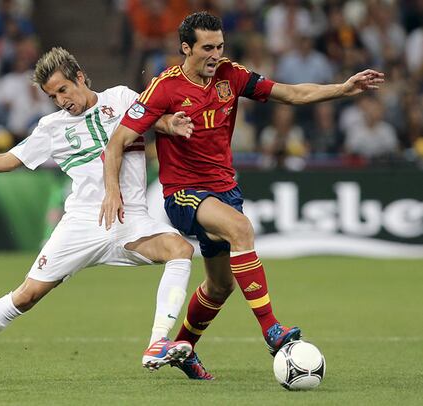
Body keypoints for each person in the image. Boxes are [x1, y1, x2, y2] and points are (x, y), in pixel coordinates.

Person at [100, 11, 384, 380]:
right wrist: (112, 192)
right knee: (240, 229)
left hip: (224, 191)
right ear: (186, 48)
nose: (215, 54)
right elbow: (117, 140)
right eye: (206, 48)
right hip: (184, 194)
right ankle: (271, 329)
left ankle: (184, 349)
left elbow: (292, 94)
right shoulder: (164, 88)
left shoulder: (231, 76)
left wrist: (342, 89)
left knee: (220, 287)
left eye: (219, 46)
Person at [0, 47, 196, 386]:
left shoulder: (119, 97)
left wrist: (170, 123)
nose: (61, 100)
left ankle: (157, 342)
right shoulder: (51, 127)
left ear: (81, 78)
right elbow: (9, 160)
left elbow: (151, 119)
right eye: (52, 96)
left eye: (63, 90)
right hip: (82, 223)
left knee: (181, 250)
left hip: (130, 219)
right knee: (25, 295)